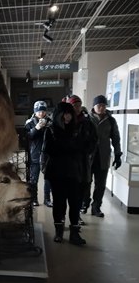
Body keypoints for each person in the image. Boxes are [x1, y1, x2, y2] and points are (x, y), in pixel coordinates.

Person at [41, 101, 88, 246]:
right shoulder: (51, 130)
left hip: (74, 172)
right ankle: (59, 231)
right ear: (59, 115)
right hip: (57, 172)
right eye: (65, 114)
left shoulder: (77, 129)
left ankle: (74, 233)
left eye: (69, 114)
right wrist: (68, 148)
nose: (67, 117)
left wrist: (66, 148)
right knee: (59, 203)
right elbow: (49, 150)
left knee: (75, 203)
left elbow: (84, 147)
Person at [84, 94, 122, 217]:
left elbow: (116, 138)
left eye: (104, 105)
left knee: (100, 184)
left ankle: (96, 207)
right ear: (94, 106)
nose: (101, 108)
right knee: (86, 182)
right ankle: (85, 204)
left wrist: (117, 154)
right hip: (88, 156)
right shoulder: (87, 119)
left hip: (103, 156)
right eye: (99, 105)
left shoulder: (110, 120)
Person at [65, 95, 98, 225]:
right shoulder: (64, 122)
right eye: (74, 106)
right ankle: (61, 222)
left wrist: (87, 151)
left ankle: (76, 216)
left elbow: (94, 140)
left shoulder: (87, 122)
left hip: (83, 161)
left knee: (80, 190)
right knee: (66, 191)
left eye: (79, 105)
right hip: (67, 162)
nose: (77, 108)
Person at [25, 100, 53, 207]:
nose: (41, 113)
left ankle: (47, 199)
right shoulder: (30, 122)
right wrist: (37, 128)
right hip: (34, 155)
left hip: (47, 155)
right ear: (35, 111)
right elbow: (27, 137)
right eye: (39, 111)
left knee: (48, 179)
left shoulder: (50, 122)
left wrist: (48, 127)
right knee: (33, 179)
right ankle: (34, 199)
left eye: (43, 111)